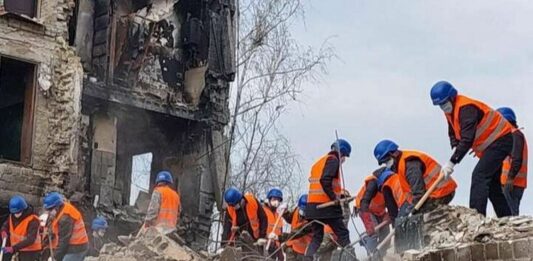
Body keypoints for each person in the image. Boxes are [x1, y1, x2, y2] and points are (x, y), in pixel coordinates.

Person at [430, 81, 514, 216]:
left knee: (479, 176)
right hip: (491, 145)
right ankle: (507, 218)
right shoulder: (451, 111)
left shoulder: (466, 108)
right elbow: (452, 131)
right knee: (492, 186)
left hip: (500, 140)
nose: (443, 107)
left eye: (444, 103)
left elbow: (467, 139)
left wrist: (452, 161)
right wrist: (455, 146)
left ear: (452, 97)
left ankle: (476, 217)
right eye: (440, 105)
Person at [373, 139, 457, 213]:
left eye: (387, 161)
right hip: (430, 194)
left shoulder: (410, 165)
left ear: (393, 154)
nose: (387, 166)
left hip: (441, 193)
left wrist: (411, 211)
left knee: (418, 218)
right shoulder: (401, 165)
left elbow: (418, 193)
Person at [304, 139, 353, 260]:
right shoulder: (333, 160)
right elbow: (324, 180)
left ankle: (307, 259)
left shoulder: (319, 163)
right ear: (341, 152)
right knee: (343, 234)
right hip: (327, 206)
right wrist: (334, 197)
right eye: (345, 156)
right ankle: (351, 258)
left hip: (312, 208)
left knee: (317, 237)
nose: (344, 159)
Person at [497, 107, 528, 216]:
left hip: (512, 183)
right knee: (508, 214)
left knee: (510, 215)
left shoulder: (515, 135)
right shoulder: (511, 135)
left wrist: (510, 178)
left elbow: (517, 159)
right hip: (511, 182)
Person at [43, 192, 89, 261]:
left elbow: (64, 240)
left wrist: (54, 257)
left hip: (77, 248)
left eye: (50, 210)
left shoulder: (65, 218)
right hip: (70, 246)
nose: (48, 212)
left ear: (57, 207)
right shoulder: (60, 211)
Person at [354, 167, 389, 253]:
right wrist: (368, 224)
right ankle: (372, 256)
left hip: (379, 210)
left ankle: (381, 255)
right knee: (373, 232)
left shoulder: (392, 183)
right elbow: (364, 203)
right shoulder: (373, 183)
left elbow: (395, 203)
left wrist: (388, 215)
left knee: (386, 233)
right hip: (365, 209)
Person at [1, 195, 41, 261]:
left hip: (31, 251)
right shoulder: (12, 216)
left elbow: (31, 239)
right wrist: (4, 231)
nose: (16, 214)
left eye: (18, 212)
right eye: (14, 213)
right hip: (18, 248)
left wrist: (13, 248)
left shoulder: (33, 220)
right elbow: (5, 225)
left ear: (23, 209)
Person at [284, 194, 312, 261]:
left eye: (306, 212)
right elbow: (291, 218)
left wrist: (282, 238)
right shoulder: (296, 210)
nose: (303, 215)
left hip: (305, 252)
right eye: (302, 211)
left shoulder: (312, 221)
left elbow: (298, 232)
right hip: (293, 247)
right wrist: (285, 213)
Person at [262, 188, 285, 259]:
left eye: (278, 200)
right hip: (265, 244)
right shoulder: (263, 212)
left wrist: (279, 248)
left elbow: (280, 232)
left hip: (275, 246)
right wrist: (267, 236)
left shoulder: (278, 215)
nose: (276, 202)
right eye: (274, 199)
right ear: (269, 199)